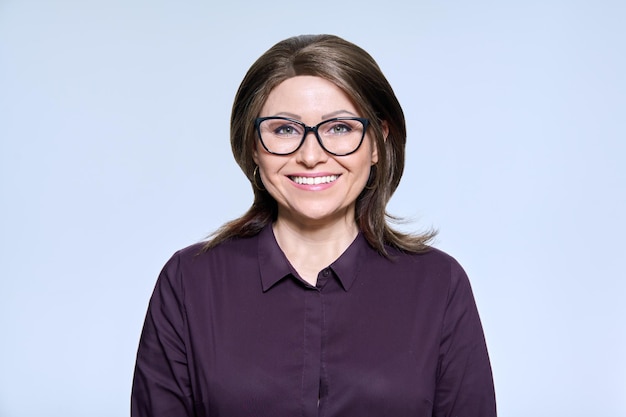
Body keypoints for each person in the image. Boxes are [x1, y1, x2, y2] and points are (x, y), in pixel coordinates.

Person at [131, 34, 496, 417]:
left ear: (377, 143)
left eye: (339, 128)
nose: (310, 155)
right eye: (284, 129)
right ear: (253, 145)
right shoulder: (189, 282)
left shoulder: (439, 285)